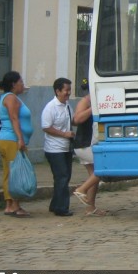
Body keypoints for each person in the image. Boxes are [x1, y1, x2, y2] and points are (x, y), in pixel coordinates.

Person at [0, 71, 33, 217]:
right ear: (13, 84)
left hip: (5, 139)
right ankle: (15, 206)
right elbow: (14, 118)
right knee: (16, 171)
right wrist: (20, 139)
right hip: (11, 139)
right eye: (21, 82)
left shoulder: (8, 97)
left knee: (9, 172)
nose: (23, 85)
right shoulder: (11, 98)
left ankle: (9, 205)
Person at [71, 81, 108, 216]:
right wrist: (93, 108)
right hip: (84, 144)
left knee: (94, 176)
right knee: (103, 168)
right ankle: (81, 189)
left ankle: (90, 207)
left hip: (91, 143)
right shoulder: (85, 101)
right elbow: (77, 118)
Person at [41, 77, 75, 216]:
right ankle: (61, 208)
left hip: (66, 147)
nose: (68, 93)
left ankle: (55, 204)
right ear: (58, 91)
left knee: (64, 177)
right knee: (62, 176)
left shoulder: (68, 106)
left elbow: (73, 120)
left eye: (69, 90)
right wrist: (64, 134)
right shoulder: (50, 107)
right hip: (54, 148)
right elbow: (46, 127)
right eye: (66, 90)